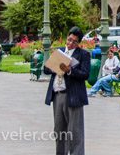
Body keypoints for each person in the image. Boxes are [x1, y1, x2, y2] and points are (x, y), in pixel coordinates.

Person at [43, 27, 91, 155]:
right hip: (57, 95)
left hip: (73, 96)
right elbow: (46, 69)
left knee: (75, 132)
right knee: (59, 131)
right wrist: (56, 66)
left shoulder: (83, 54)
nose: (70, 43)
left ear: (78, 43)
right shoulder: (60, 51)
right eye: (69, 39)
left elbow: (85, 74)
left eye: (74, 42)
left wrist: (69, 70)